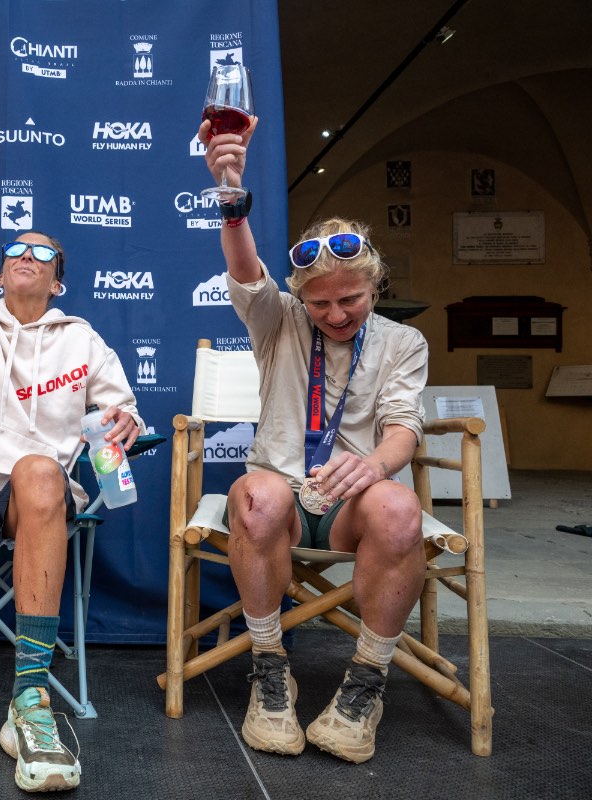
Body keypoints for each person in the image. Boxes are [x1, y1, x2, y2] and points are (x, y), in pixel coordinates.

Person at [0, 97, 144, 793]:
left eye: (42, 252)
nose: (26, 256)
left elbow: (118, 408)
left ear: (58, 278)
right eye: (16, 248)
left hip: (32, 497)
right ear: (1, 269)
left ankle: (31, 697)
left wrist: (122, 423)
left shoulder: (83, 337)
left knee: (44, 471)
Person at [201, 116, 428, 764]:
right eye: (321, 303)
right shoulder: (278, 320)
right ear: (301, 295)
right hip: (281, 489)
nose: (335, 315)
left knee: (399, 507)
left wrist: (375, 466)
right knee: (258, 500)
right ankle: (270, 670)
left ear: (374, 286)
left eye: (351, 300)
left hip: (352, 501)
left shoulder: (402, 342)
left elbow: (403, 429)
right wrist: (230, 194)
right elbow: (246, 269)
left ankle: (365, 684)